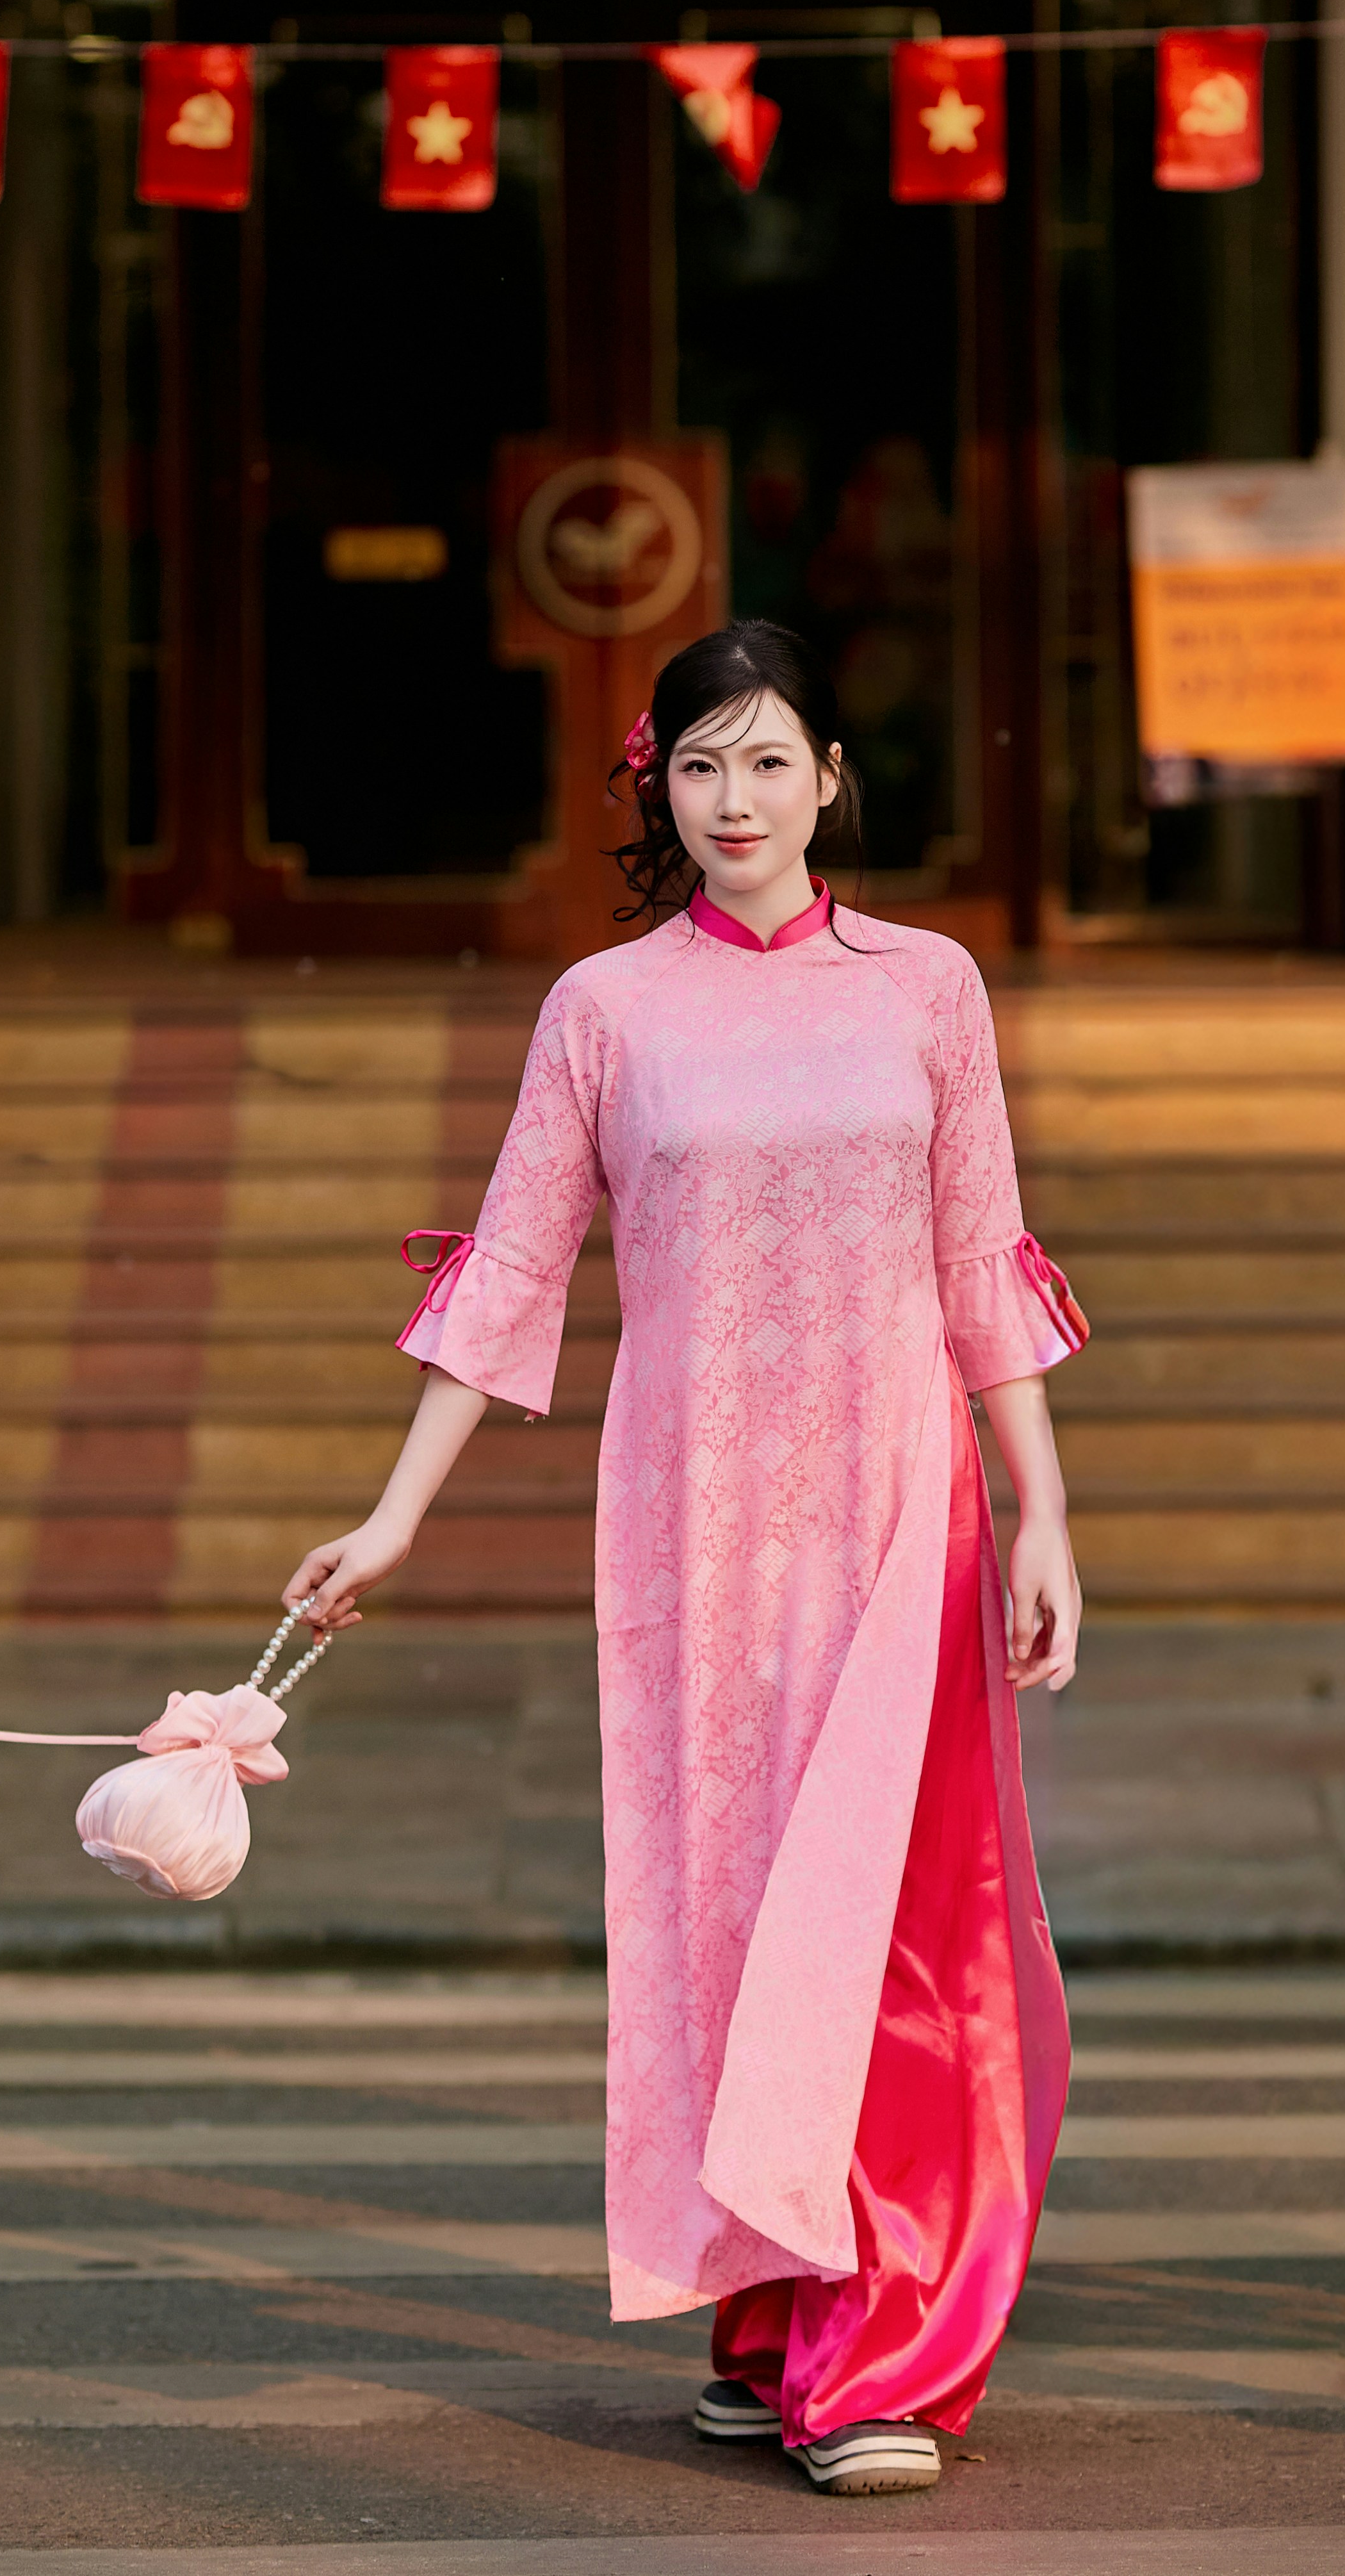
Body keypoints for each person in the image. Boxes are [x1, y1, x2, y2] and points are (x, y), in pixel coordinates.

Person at [283, 618, 1085, 2497]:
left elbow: (979, 1253)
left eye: (769, 760)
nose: (736, 800)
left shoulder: (928, 989)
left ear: (831, 780)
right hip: (692, 1522)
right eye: (702, 765)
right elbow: (510, 1264)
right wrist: (392, 1517)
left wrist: (1043, 1506)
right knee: (722, 1913)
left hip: (897, 1504)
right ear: (662, 786)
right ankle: (767, 2311)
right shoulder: (605, 1010)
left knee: (889, 1928)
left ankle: (875, 2352)